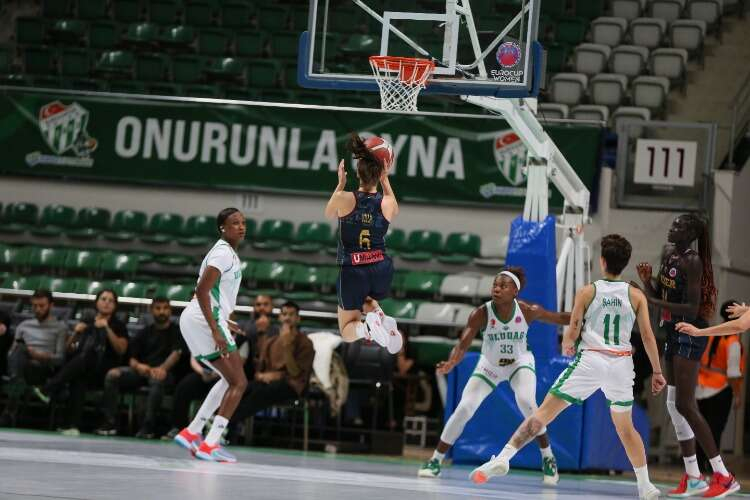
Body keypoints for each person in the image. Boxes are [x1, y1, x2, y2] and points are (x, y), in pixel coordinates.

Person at [469, 235, 665, 500]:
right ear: (625, 263)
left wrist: (569, 344)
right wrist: (657, 371)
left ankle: (503, 457)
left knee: (541, 415)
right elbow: (648, 336)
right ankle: (645, 486)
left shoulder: (588, 291)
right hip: (621, 364)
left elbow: (573, 327)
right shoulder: (636, 295)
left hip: (591, 361)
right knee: (626, 429)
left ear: (602, 261)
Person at [418, 266, 570, 485]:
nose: (497, 289)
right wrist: (451, 363)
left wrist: (581, 316)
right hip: (490, 365)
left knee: (527, 402)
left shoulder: (527, 310)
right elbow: (463, 344)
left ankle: (548, 458)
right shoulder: (481, 313)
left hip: (519, 363)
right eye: (495, 285)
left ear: (514, 291)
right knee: (464, 408)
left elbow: (558, 318)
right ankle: (435, 460)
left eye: (503, 286)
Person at [636, 214, 740, 497]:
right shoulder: (669, 254)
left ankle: (724, 475)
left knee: (686, 405)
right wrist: (647, 283)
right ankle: (694, 477)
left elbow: (692, 309)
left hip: (690, 331)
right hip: (672, 330)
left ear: (691, 233)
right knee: (674, 405)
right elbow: (663, 295)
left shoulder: (692, 261)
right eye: (673, 223)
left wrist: (651, 300)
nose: (672, 227)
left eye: (679, 226)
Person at [173, 207, 248, 463]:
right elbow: (202, 290)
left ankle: (192, 432)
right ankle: (210, 444)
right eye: (234, 223)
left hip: (199, 318)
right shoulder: (222, 253)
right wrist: (216, 328)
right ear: (222, 228)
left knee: (228, 379)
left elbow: (214, 295)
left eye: (243, 222)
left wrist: (223, 321)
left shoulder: (227, 253)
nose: (240, 226)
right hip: (204, 319)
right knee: (239, 382)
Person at [324, 133, 401, 354]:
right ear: (381, 174)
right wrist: (385, 181)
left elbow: (329, 213)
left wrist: (340, 185)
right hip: (381, 267)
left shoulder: (344, 198)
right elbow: (393, 206)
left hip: (352, 268)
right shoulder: (388, 203)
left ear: (358, 171)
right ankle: (381, 319)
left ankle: (367, 328)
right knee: (367, 299)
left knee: (346, 330)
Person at [38, 289, 128, 436]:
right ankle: (72, 425)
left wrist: (107, 328)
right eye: (103, 299)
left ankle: (49, 388)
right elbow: (67, 349)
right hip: (83, 367)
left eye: (110, 300)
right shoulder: (87, 322)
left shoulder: (118, 325)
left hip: (104, 370)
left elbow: (121, 350)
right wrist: (75, 333)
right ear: (96, 302)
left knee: (84, 360)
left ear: (115, 305)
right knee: (79, 376)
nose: (106, 303)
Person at [96, 297, 183, 438]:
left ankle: (148, 427)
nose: (162, 312)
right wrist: (139, 366)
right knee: (113, 374)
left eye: (165, 308)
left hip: (164, 373)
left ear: (170, 311)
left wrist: (162, 369)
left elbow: (176, 353)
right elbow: (131, 358)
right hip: (142, 371)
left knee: (157, 380)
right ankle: (109, 422)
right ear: (151, 310)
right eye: (158, 308)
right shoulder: (144, 332)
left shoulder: (177, 331)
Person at [230, 301, 314, 437]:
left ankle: (226, 425)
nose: (287, 318)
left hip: (292, 387)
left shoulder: (305, 343)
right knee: (245, 388)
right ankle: (224, 423)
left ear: (298, 319)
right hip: (268, 382)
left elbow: (296, 374)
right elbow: (258, 371)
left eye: (291, 314)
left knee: (261, 393)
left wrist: (287, 347)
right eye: (284, 314)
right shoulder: (272, 341)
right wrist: (262, 376)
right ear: (280, 317)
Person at [0, 289, 67, 427]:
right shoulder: (24, 325)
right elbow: (12, 353)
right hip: (21, 365)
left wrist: (40, 355)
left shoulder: (60, 327)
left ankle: (10, 411)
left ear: (51, 306)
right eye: (35, 306)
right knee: (19, 350)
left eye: (41, 306)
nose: (37, 309)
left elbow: (60, 358)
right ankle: (9, 411)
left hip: (42, 367)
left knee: (21, 354)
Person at [692, 300, 745, 472]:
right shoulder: (733, 341)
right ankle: (711, 466)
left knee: (701, 428)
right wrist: (737, 395)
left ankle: (699, 464)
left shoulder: (713, 333)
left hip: (701, 387)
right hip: (720, 388)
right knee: (715, 429)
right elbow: (733, 373)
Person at [239, 294, 279, 377]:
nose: (262, 308)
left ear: (272, 307)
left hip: (268, 371)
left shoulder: (278, 331)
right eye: (258, 305)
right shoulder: (242, 326)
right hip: (244, 369)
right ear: (253, 308)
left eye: (266, 304)